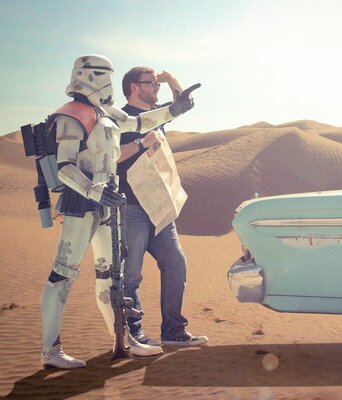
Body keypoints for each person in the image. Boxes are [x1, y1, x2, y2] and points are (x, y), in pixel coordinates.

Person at [40, 55, 198, 369]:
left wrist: (175, 109)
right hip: (81, 204)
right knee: (63, 274)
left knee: (111, 277)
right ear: (84, 75)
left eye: (108, 74)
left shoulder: (108, 114)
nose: (106, 81)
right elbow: (65, 169)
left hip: (109, 205)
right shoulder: (70, 116)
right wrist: (95, 190)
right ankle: (50, 351)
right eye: (100, 75)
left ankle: (126, 339)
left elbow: (142, 122)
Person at [117, 67, 208, 346]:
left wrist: (171, 81)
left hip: (159, 208)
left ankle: (173, 331)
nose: (156, 89)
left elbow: (184, 104)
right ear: (134, 87)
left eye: (157, 84)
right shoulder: (119, 118)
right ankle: (133, 335)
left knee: (176, 264)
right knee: (131, 276)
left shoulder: (157, 117)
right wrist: (142, 143)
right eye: (151, 84)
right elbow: (111, 156)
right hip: (130, 208)